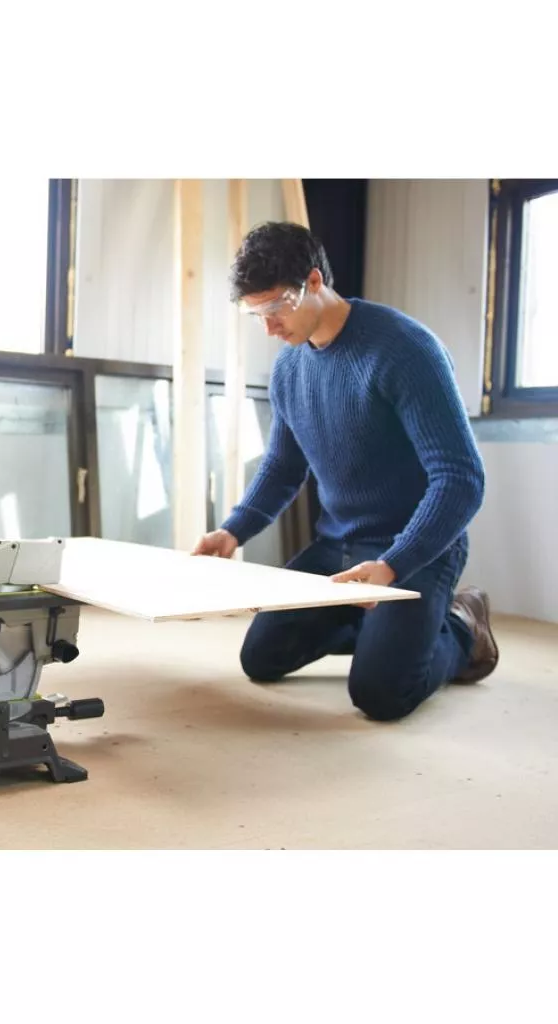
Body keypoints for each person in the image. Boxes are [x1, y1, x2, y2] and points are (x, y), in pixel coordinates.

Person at [193, 221, 498, 722]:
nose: (270, 328)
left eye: (276, 309)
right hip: (339, 547)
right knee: (261, 658)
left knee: (381, 695)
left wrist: (394, 563)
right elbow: (283, 468)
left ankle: (463, 626)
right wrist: (232, 531)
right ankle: (384, 631)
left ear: (314, 281)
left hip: (414, 549)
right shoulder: (290, 368)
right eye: (257, 315)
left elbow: (461, 478)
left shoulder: (405, 350)